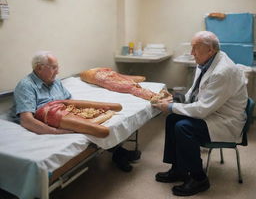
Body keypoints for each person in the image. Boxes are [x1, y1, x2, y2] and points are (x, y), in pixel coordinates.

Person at [152, 31, 248, 196]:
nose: (191, 53)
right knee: (172, 119)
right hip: (213, 112)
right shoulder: (206, 62)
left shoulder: (223, 71)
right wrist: (174, 101)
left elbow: (203, 109)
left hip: (225, 121)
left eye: (195, 48)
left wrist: (171, 106)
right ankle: (179, 169)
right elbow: (195, 92)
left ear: (210, 50)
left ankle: (199, 178)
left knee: (183, 127)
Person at [13, 51, 139, 169]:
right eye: (53, 67)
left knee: (111, 114)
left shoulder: (55, 81)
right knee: (101, 130)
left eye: (57, 67)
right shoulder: (26, 86)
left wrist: (89, 111)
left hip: (66, 110)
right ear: (39, 68)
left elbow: (69, 101)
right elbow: (27, 121)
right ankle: (119, 153)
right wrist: (55, 132)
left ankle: (117, 152)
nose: (57, 71)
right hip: (50, 115)